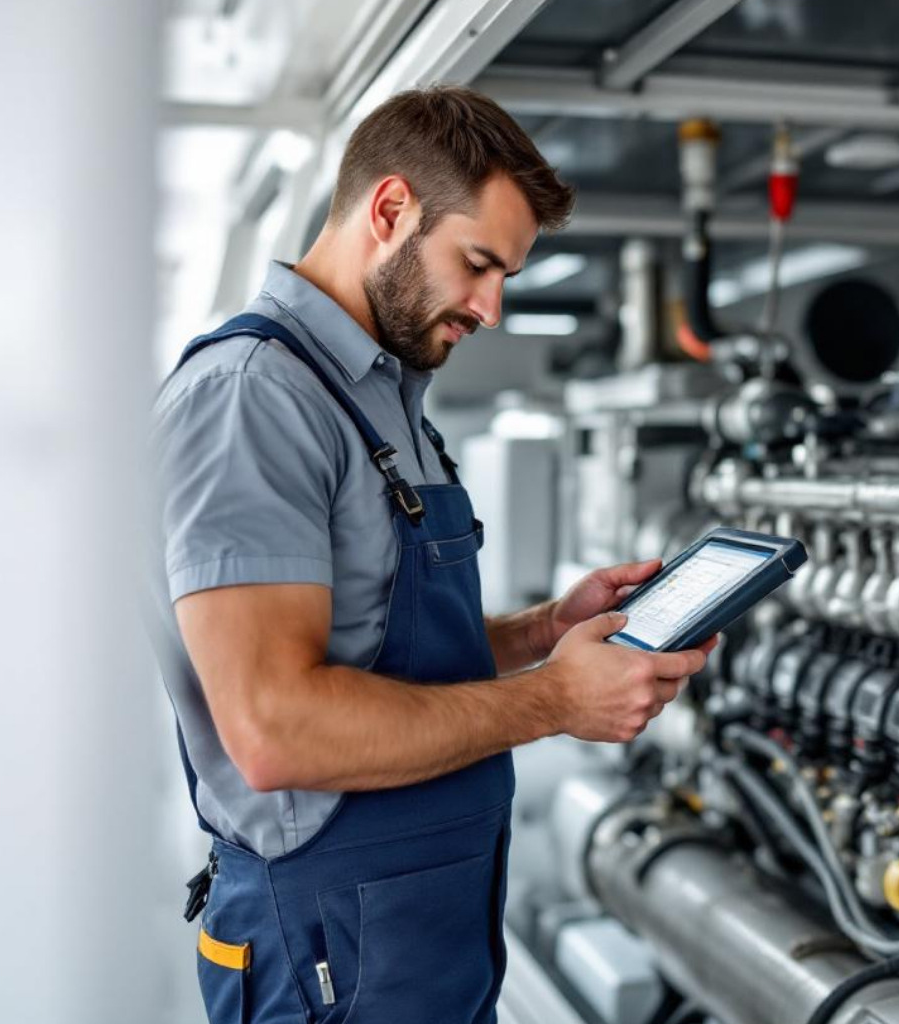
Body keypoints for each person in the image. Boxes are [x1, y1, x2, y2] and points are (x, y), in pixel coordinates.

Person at [147, 86, 711, 1024]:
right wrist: (556, 700)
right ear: (390, 210)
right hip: (327, 945)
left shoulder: (378, 392)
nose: (492, 307)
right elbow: (275, 726)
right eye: (479, 264)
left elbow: (381, 652)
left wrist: (543, 632)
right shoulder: (254, 399)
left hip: (421, 933)